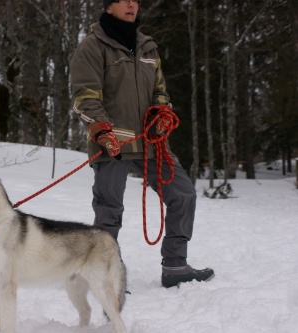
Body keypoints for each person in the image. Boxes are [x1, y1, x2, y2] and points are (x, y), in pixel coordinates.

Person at [70, 0, 214, 288]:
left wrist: (162, 112)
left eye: (135, 0)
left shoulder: (148, 47)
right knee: (109, 210)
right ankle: (104, 276)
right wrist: (100, 129)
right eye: (124, 0)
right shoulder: (92, 46)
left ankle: (175, 266)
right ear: (109, 7)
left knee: (183, 194)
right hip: (112, 145)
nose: (132, 4)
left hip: (151, 143)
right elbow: (85, 96)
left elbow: (160, 90)